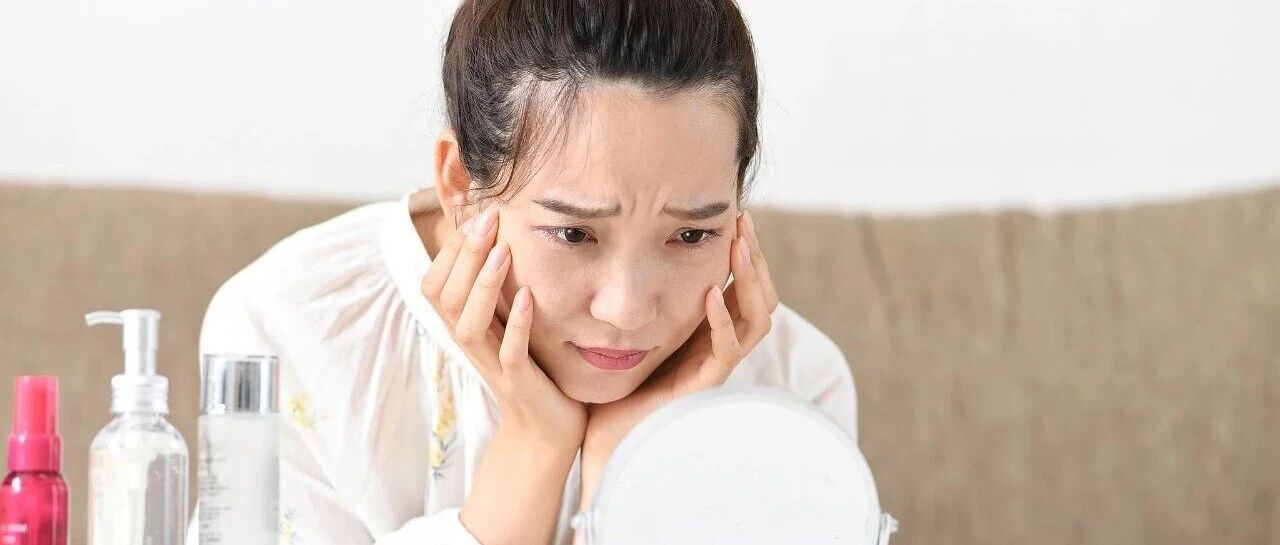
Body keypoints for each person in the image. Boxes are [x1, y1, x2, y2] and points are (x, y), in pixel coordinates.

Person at [198, 1, 858, 544]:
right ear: (462, 188)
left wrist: (631, 470)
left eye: (691, 234)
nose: (626, 309)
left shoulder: (792, 388)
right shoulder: (290, 333)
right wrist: (533, 451)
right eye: (574, 233)